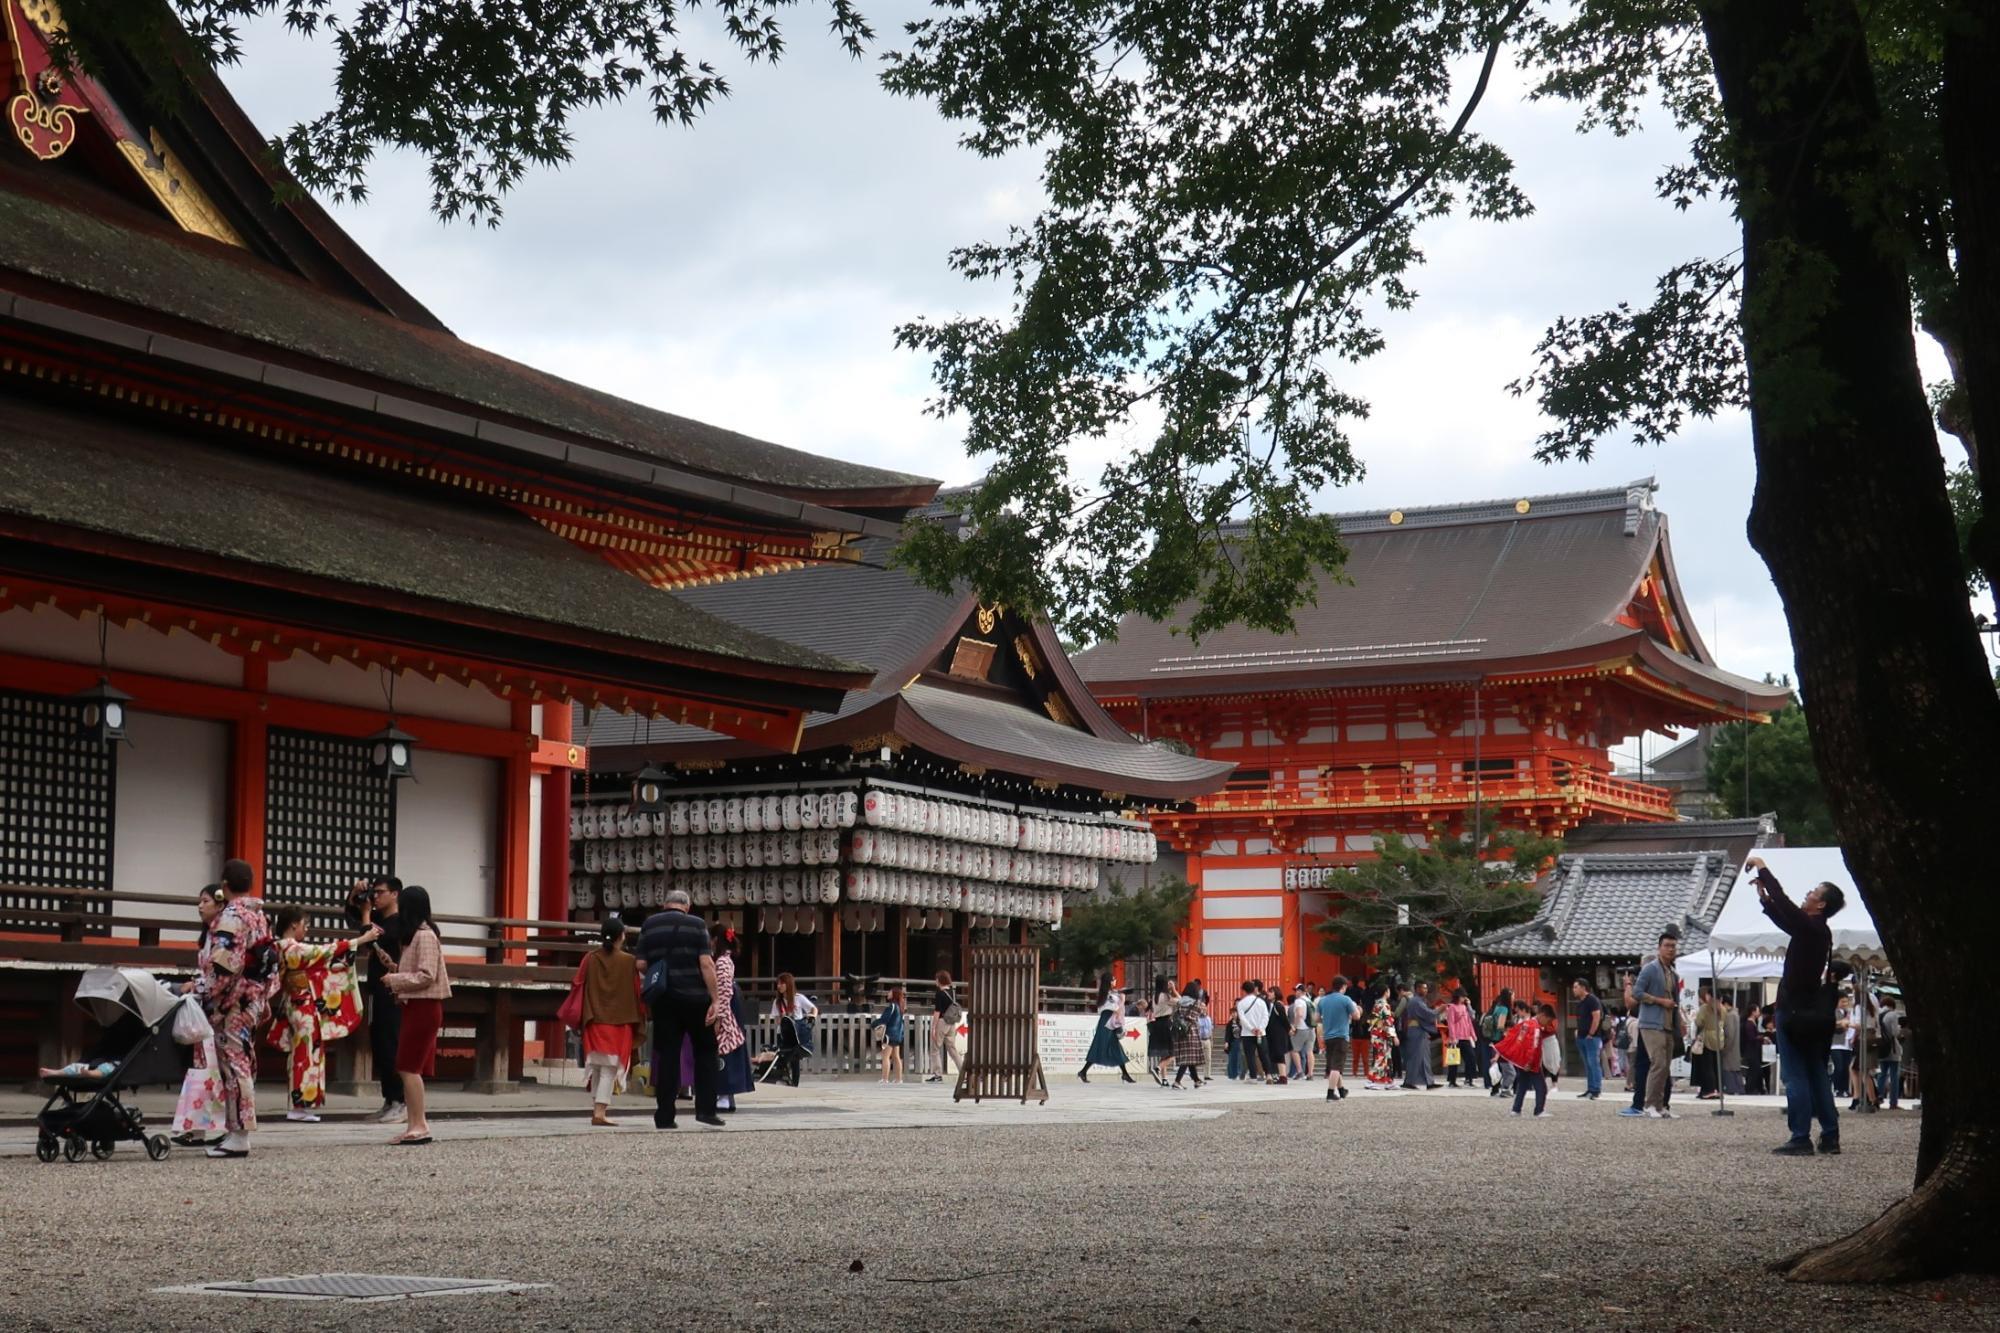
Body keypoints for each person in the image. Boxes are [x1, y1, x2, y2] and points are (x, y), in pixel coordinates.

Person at [1746, 855, 1845, 1156]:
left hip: (1793, 1012)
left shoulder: (1812, 928)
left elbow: (1788, 907)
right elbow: (1788, 918)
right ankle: (1830, 1135)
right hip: (1813, 1014)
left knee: (1795, 1075)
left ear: (1821, 905)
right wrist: (1765, 900)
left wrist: (1764, 868)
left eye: (1814, 893)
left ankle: (1800, 1136)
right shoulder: (1818, 931)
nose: (1808, 895)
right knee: (1816, 1073)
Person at [268, 905, 379, 1122]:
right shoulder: (289, 947)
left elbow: (318, 958)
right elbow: (324, 952)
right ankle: (299, 1106)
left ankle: (301, 1105)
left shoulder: (281, 947)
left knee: (306, 1052)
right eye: (304, 925)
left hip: (298, 1003)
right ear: (294, 925)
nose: (306, 929)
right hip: (301, 1005)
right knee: (305, 1054)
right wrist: (360, 940)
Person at [198, 858, 277, 1159]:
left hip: (233, 1000)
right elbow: (269, 961)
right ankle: (235, 1130)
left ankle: (240, 1133)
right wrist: (264, 997)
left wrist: (206, 993)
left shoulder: (233, 916)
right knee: (243, 1060)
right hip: (253, 998)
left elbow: (224, 964)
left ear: (224, 886)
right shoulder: (259, 916)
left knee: (234, 1063)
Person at [637, 888, 723, 1128]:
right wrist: (715, 1000)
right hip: (695, 998)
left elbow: (641, 963)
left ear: (666, 904)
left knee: (667, 1056)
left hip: (664, 1000)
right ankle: (706, 1110)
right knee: (706, 1052)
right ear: (687, 906)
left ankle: (664, 1115)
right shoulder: (696, 925)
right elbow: (706, 964)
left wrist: (661, 973)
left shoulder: (650, 925)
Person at [381, 884, 452, 1146]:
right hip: (417, 1006)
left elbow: (426, 975)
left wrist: (394, 979)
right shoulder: (418, 935)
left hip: (424, 1006)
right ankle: (415, 1124)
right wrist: (394, 968)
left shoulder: (424, 936)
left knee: (409, 1066)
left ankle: (419, 1124)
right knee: (407, 1066)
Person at [345, 875, 406, 1124]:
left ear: (395, 894)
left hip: (394, 992)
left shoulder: (399, 922)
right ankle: (388, 1099)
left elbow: (370, 938)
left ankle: (401, 1101)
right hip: (376, 989)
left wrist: (367, 914)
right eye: (374, 892)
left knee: (392, 1045)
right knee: (379, 1043)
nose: (376, 897)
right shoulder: (378, 918)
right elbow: (353, 921)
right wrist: (353, 895)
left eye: (380, 892)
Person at [171, 885, 226, 1147]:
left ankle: (218, 1125)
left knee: (218, 1069)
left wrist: (199, 986)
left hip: (221, 1008)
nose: (200, 906)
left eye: (205, 901)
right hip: (206, 1007)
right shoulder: (208, 935)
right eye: (199, 901)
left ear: (219, 904)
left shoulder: (223, 935)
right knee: (204, 1068)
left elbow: (223, 972)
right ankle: (199, 1126)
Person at [578, 915, 643, 1126]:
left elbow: (578, 983)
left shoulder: (590, 958)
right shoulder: (629, 961)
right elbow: (636, 990)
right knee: (608, 1069)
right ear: (621, 936)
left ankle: (596, 1108)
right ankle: (600, 1111)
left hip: (593, 1017)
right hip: (619, 1020)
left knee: (597, 1066)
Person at [1630, 929, 1683, 1119]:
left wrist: (1679, 1023)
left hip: (1667, 1024)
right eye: (1667, 946)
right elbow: (1637, 993)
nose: (1670, 950)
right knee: (1658, 1064)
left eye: (1673, 946)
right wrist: (1660, 1001)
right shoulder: (1650, 968)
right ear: (1659, 948)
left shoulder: (1673, 973)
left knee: (1665, 1066)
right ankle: (1650, 1104)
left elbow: (1675, 1002)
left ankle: (1660, 1105)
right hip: (1651, 1023)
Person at [710, 925, 754, 1111]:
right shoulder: (725, 960)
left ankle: (724, 1095)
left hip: (726, 1008)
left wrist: (720, 1016)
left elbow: (723, 991)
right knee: (725, 1052)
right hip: (729, 1006)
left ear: (716, 940)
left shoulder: (721, 962)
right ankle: (725, 1095)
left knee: (723, 1052)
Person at [1500, 1003, 1563, 1117]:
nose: (1547, 1024)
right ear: (1543, 1015)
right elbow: (1533, 1047)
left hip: (1521, 1060)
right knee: (1541, 1087)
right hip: (1531, 1062)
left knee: (1522, 1085)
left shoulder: (1526, 1024)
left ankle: (1516, 1109)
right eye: (1547, 1020)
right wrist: (1529, 1062)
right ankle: (1539, 1110)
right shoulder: (1536, 1028)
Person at [1080, 973, 1136, 1083]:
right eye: (1113, 979)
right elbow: (1115, 1008)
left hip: (1109, 1021)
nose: (1115, 981)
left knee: (1113, 1047)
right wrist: (1122, 1000)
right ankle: (1083, 1071)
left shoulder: (1109, 993)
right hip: (1107, 1021)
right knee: (1101, 1046)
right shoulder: (1109, 995)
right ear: (1109, 981)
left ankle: (1125, 1074)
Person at [771, 972, 819, 1087]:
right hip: (783, 1033)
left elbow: (814, 1009)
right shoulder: (777, 1002)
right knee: (782, 1057)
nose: (779, 986)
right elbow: (777, 1020)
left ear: (788, 984)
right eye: (778, 984)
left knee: (794, 1059)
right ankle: (782, 1080)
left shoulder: (799, 998)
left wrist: (812, 1018)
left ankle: (795, 1084)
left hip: (797, 1033)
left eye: (782, 983)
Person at [1317, 975, 1361, 1102]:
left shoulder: (1323, 1000)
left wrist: (1328, 1019)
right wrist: (1358, 1010)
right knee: (1336, 1066)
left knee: (1333, 1064)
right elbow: (1356, 1016)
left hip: (1328, 1036)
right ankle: (1330, 1093)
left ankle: (1341, 1090)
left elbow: (1316, 1019)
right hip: (1341, 1035)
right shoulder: (1346, 1000)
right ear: (1344, 986)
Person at [1401, 981, 1439, 1090]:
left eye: (1426, 988)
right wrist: (1438, 1010)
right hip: (1416, 1031)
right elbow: (1428, 1014)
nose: (1425, 990)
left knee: (1424, 1057)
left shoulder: (1419, 1001)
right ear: (1417, 989)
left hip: (1420, 1030)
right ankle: (1409, 1081)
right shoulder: (1416, 1001)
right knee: (1415, 1056)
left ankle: (1429, 1082)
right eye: (1423, 988)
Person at [1170, 982, 1209, 1088]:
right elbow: (1199, 1014)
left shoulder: (1180, 1002)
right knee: (1187, 1058)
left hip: (1180, 1032)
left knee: (1188, 1056)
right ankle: (1177, 1081)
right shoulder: (1196, 1003)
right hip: (1191, 1032)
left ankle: (1196, 1080)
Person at [1570, 979, 1604, 1100]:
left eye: (1576, 987)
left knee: (1593, 1062)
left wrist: (1591, 1033)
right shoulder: (1580, 1002)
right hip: (1581, 1036)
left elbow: (1596, 1017)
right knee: (1587, 1064)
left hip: (1591, 1037)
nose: (1574, 990)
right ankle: (1590, 1088)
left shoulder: (1592, 1000)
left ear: (1583, 988)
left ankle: (1596, 1089)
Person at [929, 971, 964, 1083]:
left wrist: (933, 1027)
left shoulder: (940, 993)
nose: (935, 981)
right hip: (951, 1023)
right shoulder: (953, 992)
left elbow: (937, 1011)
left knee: (935, 1048)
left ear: (940, 980)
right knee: (952, 1049)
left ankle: (937, 1074)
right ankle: (964, 1073)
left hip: (942, 1021)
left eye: (936, 979)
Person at [1235, 980, 1273, 1083]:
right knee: (1264, 1054)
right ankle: (1269, 1075)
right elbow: (1266, 1016)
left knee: (1250, 1055)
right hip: (1261, 1033)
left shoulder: (1241, 1003)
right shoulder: (1261, 1002)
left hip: (1248, 1033)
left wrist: (1252, 1029)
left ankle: (1253, 1077)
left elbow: (1242, 1019)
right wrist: (1260, 1028)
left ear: (1244, 990)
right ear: (1254, 989)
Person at [1365, 981, 1399, 1089]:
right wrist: (1394, 1036)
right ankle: (1373, 1080)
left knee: (1386, 1057)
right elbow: (1388, 1021)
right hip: (1381, 1034)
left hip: (1377, 1033)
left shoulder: (1377, 1004)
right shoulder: (1384, 1005)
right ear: (1385, 992)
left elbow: (1373, 1020)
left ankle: (1389, 1080)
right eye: (1388, 991)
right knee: (1381, 1057)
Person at [872, 984, 908, 1085]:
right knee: (896, 1057)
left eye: (890, 992)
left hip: (889, 1034)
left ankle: (884, 1079)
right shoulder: (901, 1006)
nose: (888, 993)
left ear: (894, 994)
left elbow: (885, 1019)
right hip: (898, 1034)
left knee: (886, 1056)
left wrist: (874, 1024)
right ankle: (898, 1079)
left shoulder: (892, 1006)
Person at [1692, 988, 1723, 1100]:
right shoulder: (1722, 1008)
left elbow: (1699, 1022)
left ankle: (1709, 1089)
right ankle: (1717, 1089)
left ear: (1709, 996)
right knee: (1716, 1065)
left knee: (1707, 1066)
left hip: (1707, 1038)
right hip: (1719, 1037)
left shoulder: (1705, 1008)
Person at [1443, 989, 1478, 1089]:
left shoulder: (1464, 1007)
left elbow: (1469, 1022)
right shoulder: (1452, 1008)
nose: (1464, 999)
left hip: (1465, 1036)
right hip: (1456, 1037)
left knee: (1471, 1057)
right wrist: (1453, 1036)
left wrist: (1473, 1034)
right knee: (1454, 1060)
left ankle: (1469, 1078)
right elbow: (1451, 1022)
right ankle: (1452, 1080)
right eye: (1462, 997)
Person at [1482, 988, 1513, 1096]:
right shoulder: (1504, 1009)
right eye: (1512, 995)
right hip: (1500, 1038)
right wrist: (1505, 1032)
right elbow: (1500, 1025)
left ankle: (1495, 1088)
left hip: (1493, 1039)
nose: (1513, 997)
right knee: (1503, 1065)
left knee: (1496, 1064)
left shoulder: (1497, 1007)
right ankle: (1504, 1088)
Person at [1147, 978, 1178, 1087]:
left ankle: (1164, 1079)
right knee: (1173, 1053)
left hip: (1157, 1025)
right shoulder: (1165, 996)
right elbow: (1180, 1000)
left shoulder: (1154, 996)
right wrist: (1174, 989)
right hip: (1166, 1024)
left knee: (1164, 1052)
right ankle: (1158, 1068)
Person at [1875, 996, 1904, 1110]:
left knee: (1882, 1074)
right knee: (1894, 1075)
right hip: (1892, 1048)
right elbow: (1895, 1032)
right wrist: (1899, 1028)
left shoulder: (1878, 1013)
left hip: (1881, 1047)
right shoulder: (1892, 1015)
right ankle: (1893, 1102)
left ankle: (1878, 1098)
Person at [1262, 981, 1292, 1085]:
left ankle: (1283, 1077)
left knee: (1279, 1055)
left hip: (1278, 1035)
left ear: (1276, 994)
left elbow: (1284, 1019)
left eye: (1271, 992)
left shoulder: (1278, 1005)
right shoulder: (1273, 1004)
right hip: (1274, 1035)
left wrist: (1289, 1029)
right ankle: (1280, 1076)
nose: (1268, 994)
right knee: (1276, 1055)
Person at [1720, 996, 1744, 1096]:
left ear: (1725, 1004)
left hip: (1730, 1047)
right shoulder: (1736, 1014)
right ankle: (1739, 1088)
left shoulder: (1730, 1016)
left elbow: (1729, 1034)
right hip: (1735, 1047)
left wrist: (1725, 1047)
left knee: (1729, 1069)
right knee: (1735, 1069)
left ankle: (1731, 1088)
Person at [1742, 1003, 1767, 1096]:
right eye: (1757, 1010)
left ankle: (1753, 1088)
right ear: (1753, 1012)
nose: (1759, 1012)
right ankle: (1750, 1088)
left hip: (1753, 1050)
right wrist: (1761, 1038)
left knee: (1753, 1070)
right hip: (1750, 1050)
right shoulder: (1749, 1024)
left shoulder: (1753, 1023)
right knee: (1755, 1070)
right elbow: (1751, 1037)